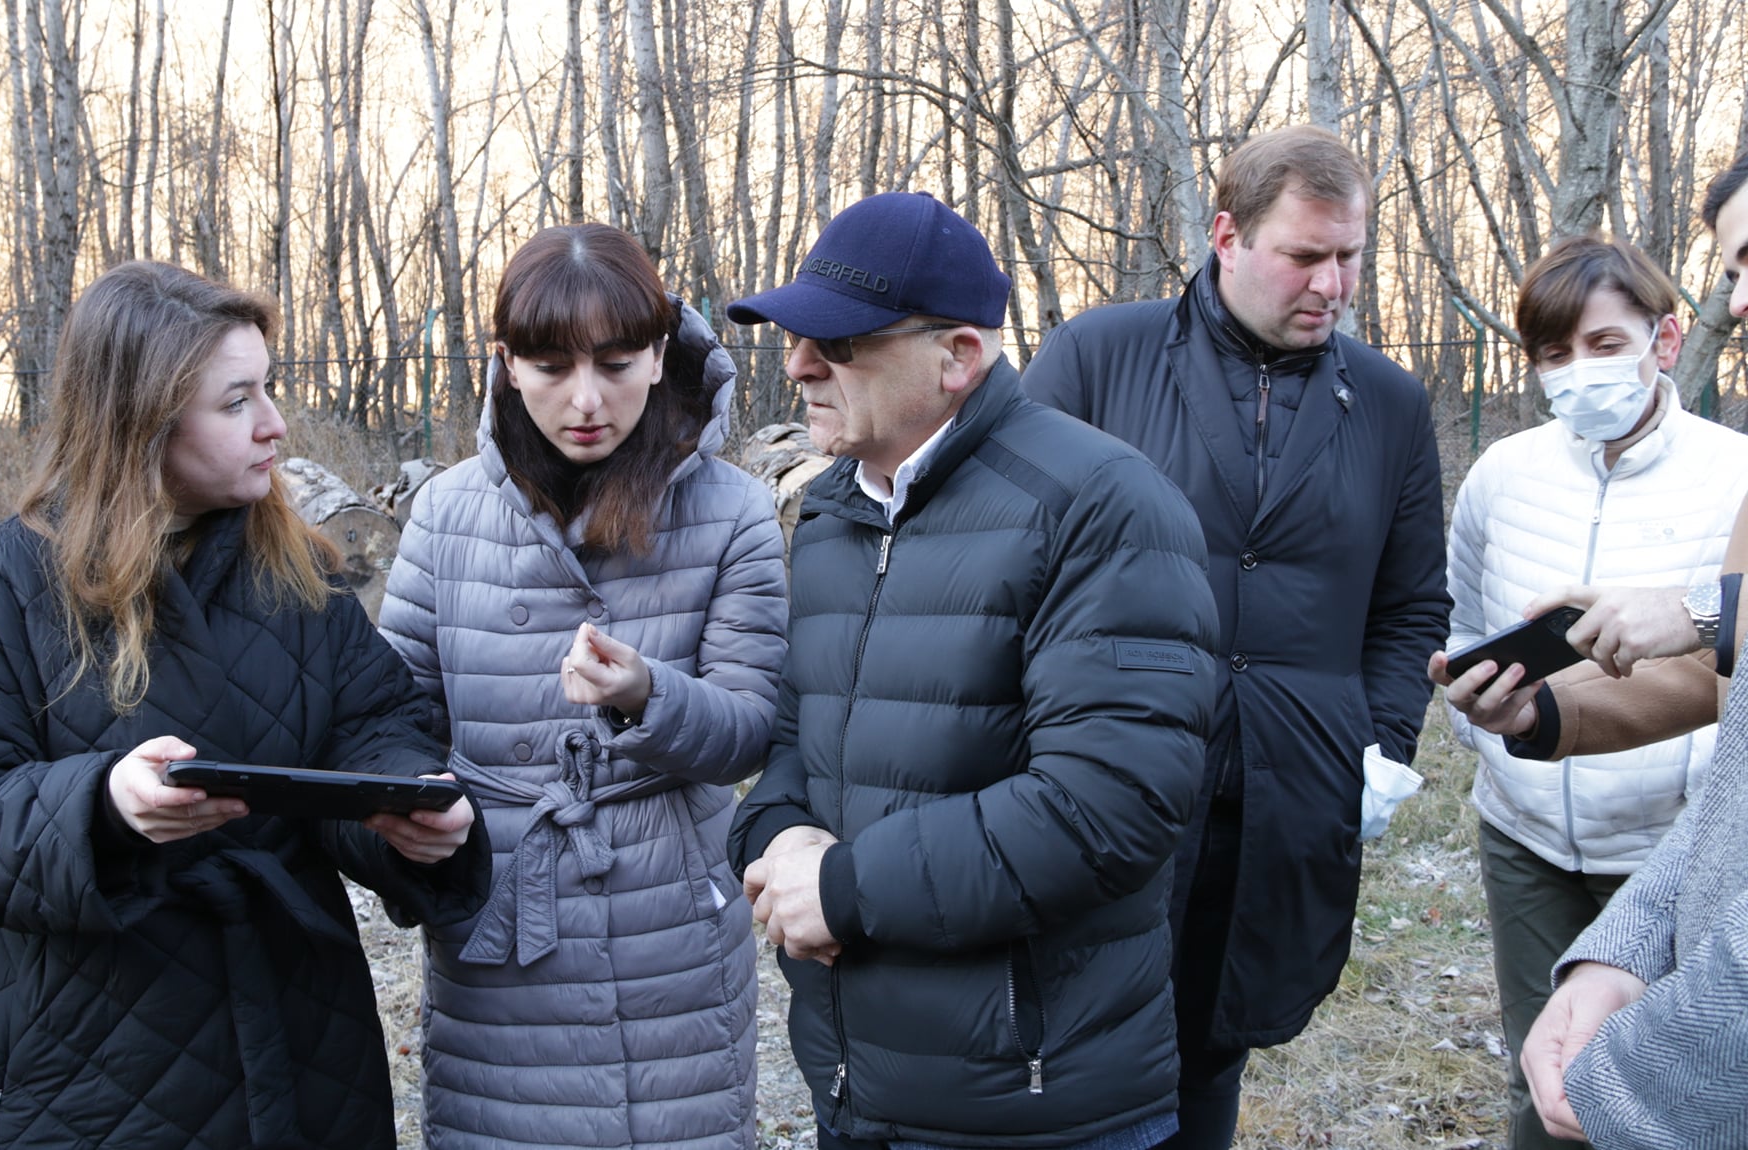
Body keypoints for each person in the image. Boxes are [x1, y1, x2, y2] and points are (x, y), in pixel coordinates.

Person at [0, 261, 489, 1149]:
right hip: (86, 1058)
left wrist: (403, 808)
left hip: (301, 1036)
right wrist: (101, 809)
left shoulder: (294, 569)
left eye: (267, 389)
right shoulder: (6, 581)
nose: (274, 424)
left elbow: (372, 727)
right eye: (237, 402)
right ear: (141, 421)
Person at [726, 191, 1220, 1150]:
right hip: (857, 1087)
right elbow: (797, 747)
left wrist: (844, 889)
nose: (798, 365)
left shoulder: (1101, 506)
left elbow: (1111, 804)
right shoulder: (832, 515)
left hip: (1038, 1108)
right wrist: (778, 838)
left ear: (957, 356)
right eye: (794, 337)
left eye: (838, 342)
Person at [1019, 125, 1450, 1149]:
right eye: (1304, 255)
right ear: (1226, 235)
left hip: (1283, 793)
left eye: (1348, 256)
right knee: (1070, 1044)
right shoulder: (1098, 358)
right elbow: (1010, 559)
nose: (1331, 284)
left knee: (1211, 1050)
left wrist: (1377, 749)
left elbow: (1408, 608)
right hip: (1105, 783)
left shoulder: (1389, 405)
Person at [376, 223, 787, 1150]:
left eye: (616, 363)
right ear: (506, 364)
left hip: (669, 931)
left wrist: (648, 694)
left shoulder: (732, 510)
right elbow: (393, 717)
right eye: (552, 366)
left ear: (660, 354)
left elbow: (751, 727)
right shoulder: (445, 515)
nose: (587, 399)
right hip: (503, 918)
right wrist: (409, 810)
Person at [1440, 151, 1748, 1150]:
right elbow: (1462, 618)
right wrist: (1510, 721)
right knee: (1544, 1086)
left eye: (1604, 343)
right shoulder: (1499, 475)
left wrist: (1697, 611)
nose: (1578, 371)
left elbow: (1717, 672)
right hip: (1525, 835)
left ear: (1664, 339)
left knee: (1649, 1103)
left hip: (1671, 846)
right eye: (1552, 353)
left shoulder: (1732, 477)